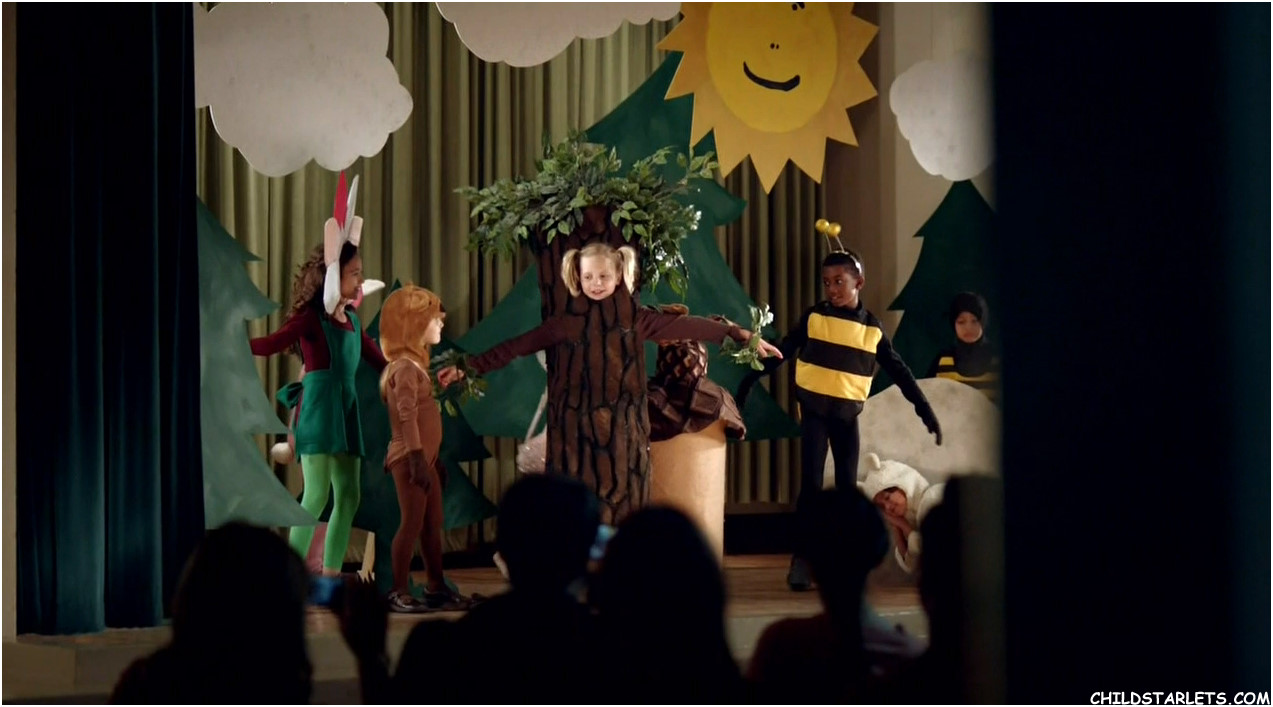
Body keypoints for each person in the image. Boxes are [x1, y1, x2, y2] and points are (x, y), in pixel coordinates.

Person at [738, 242, 941, 591]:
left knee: (847, 494)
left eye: (839, 282)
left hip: (846, 419)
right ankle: (802, 560)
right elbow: (782, 351)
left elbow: (901, 372)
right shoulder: (814, 318)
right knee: (811, 488)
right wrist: (747, 382)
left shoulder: (872, 330)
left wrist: (926, 411)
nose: (832, 289)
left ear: (858, 283)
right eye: (826, 282)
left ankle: (846, 562)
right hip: (815, 415)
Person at [250, 175, 387, 575]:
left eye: (360, 273)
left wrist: (412, 373)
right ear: (333, 275)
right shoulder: (311, 319)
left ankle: (329, 575)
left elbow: (380, 361)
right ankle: (290, 575)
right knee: (315, 496)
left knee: (349, 495)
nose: (359, 279)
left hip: (345, 410)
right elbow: (272, 342)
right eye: (354, 273)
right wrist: (233, 344)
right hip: (318, 410)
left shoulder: (353, 322)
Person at [377, 284, 466, 612]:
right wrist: (416, 459)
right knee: (412, 523)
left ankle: (436, 585)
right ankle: (398, 590)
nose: (441, 323)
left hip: (424, 459)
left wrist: (432, 460)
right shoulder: (403, 368)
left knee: (432, 523)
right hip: (408, 458)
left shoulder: (416, 368)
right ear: (413, 325)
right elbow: (407, 416)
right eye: (434, 319)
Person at [927, 291, 999, 402]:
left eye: (974, 321)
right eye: (961, 322)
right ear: (953, 324)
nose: (968, 327)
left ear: (983, 322)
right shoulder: (942, 361)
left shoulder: (998, 361)